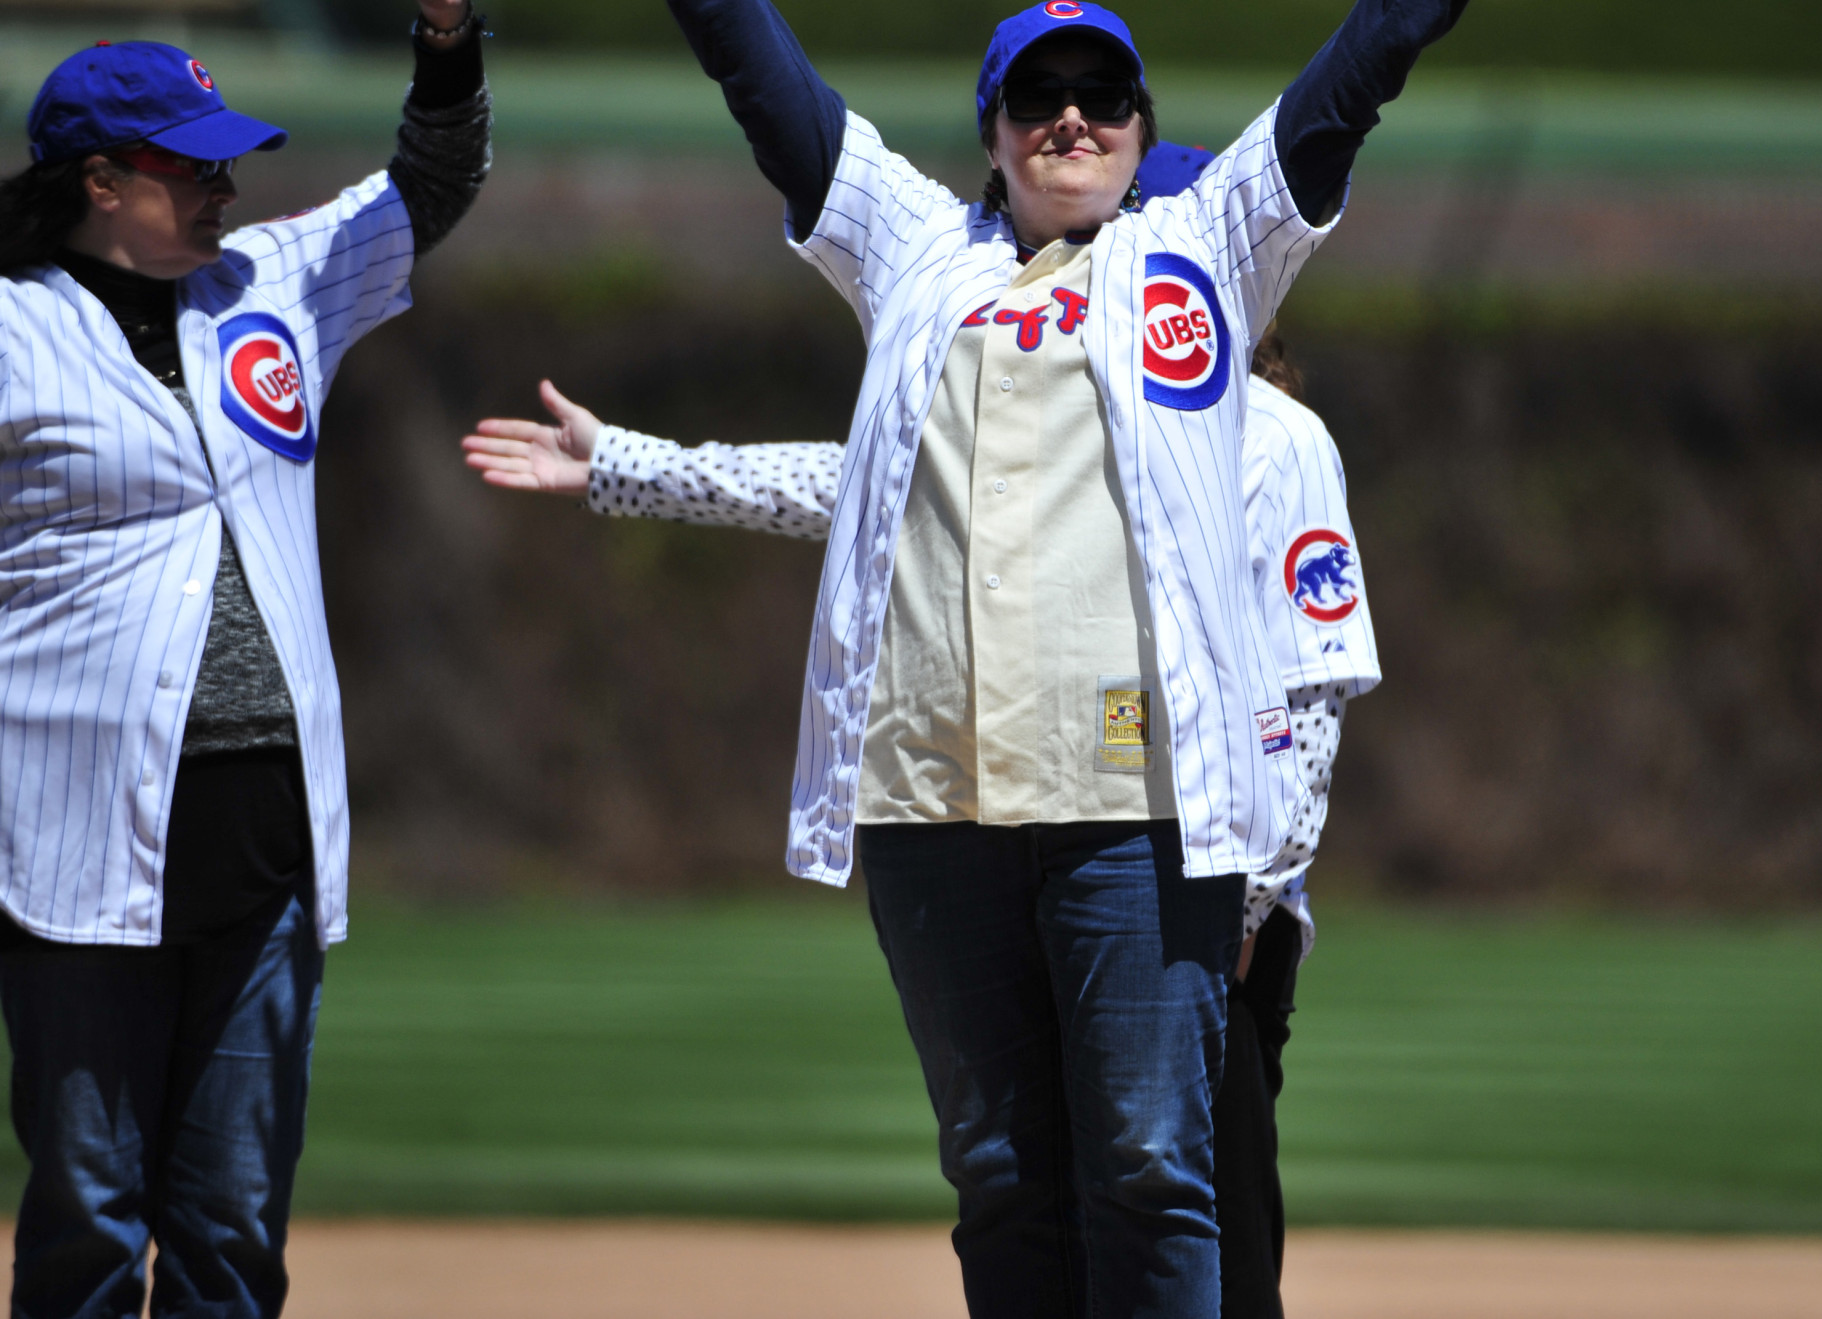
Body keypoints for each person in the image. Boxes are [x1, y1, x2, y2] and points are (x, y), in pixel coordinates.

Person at [533, 0, 1609, 1317]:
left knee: (1156, 1167)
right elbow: (759, 78)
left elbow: (1352, 77)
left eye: (1106, 93)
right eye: (1037, 97)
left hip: (1138, 804)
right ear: (990, 131)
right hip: (931, 799)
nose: (1073, 117)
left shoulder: (1201, 250)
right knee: (1002, 1178)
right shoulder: (912, 251)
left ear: (1143, 120)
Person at [459, 313, 1379, 1319]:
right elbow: (861, 485)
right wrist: (631, 466)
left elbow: (1308, 690)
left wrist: (1246, 907)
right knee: (1034, 1207)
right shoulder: (1056, 404)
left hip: (1199, 899)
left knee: (1202, 1232)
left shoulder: (1271, 437)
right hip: (1062, 859)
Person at [0, 0, 491, 1317]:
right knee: (91, 1218)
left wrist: (446, 31)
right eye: (189, 166)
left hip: (267, 833)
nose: (224, 187)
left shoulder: (266, 285)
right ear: (99, 178)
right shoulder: (18, 325)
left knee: (228, 1229)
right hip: (72, 835)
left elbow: (430, 183)